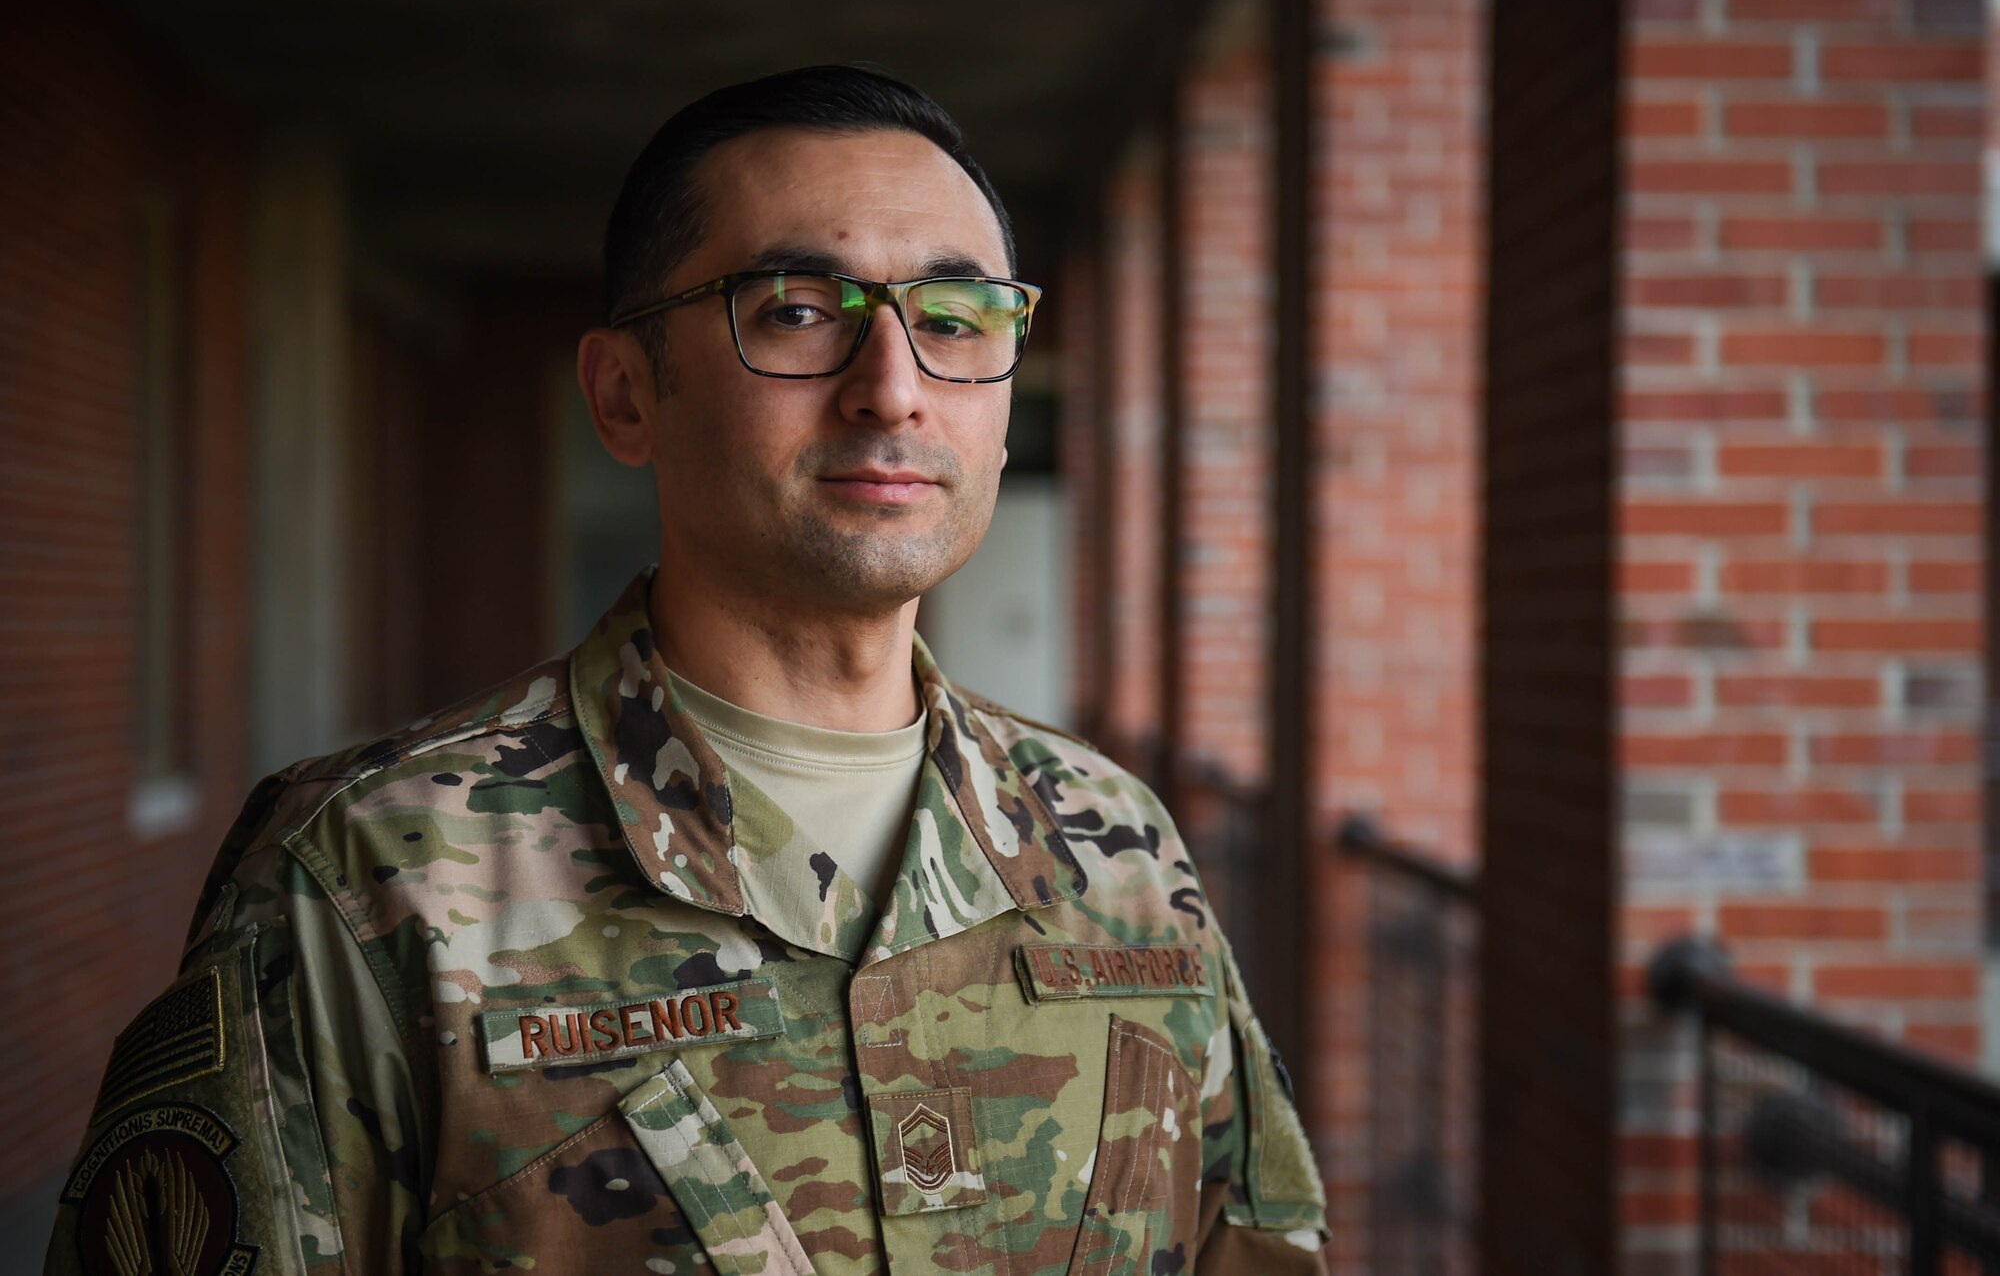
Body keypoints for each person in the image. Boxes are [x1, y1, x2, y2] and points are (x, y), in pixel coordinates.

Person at [45, 65, 1328, 1276]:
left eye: (953, 316)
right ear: (623, 396)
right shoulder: (368, 878)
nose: (893, 387)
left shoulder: (1120, 848)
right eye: (796, 310)